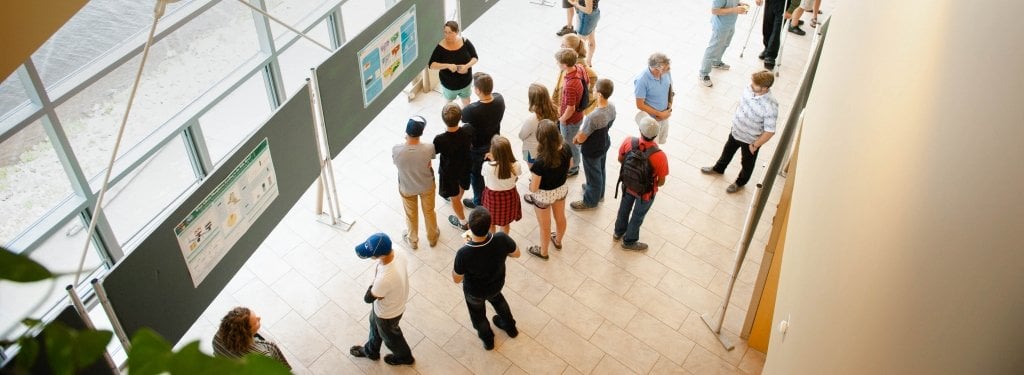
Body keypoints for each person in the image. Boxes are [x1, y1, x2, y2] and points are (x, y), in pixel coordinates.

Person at [452, 207, 521, 350]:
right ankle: (511, 328)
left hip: (475, 292)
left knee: (478, 316)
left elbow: (457, 279)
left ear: (470, 227)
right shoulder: (501, 238)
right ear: (490, 224)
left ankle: (488, 341)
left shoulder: (463, 253)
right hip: (497, 284)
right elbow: (517, 254)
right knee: (499, 301)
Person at [701, 70, 778, 193]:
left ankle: (740, 182)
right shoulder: (750, 88)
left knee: (747, 164)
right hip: (736, 131)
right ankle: (719, 168)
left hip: (750, 141)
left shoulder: (770, 106)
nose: (751, 85)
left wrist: (755, 145)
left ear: (764, 88)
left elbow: (770, 131)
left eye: (755, 84)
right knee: (727, 152)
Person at [349, 233, 415, 366]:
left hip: (388, 313)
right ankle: (371, 351)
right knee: (374, 326)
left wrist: (373, 285)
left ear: (379, 256)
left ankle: (405, 357)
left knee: (391, 338)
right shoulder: (397, 250)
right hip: (394, 301)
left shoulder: (385, 278)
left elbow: (369, 298)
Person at [613, 116, 669, 251]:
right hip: (645, 193)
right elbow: (661, 182)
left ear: (640, 130)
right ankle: (629, 241)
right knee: (637, 216)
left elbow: (621, 159)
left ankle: (618, 232)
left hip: (627, 185)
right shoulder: (659, 156)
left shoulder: (628, 142)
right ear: (656, 135)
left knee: (624, 209)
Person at [524, 120, 572, 260]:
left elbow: (534, 188)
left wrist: (530, 185)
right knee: (560, 217)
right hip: (561, 190)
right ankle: (557, 241)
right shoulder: (566, 148)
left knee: (545, 226)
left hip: (543, 197)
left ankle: (543, 252)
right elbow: (570, 165)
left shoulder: (540, 162)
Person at [393, 116, 439, 249]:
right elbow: (429, 163)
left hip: (407, 187)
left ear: (406, 132)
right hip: (427, 186)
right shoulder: (429, 148)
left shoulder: (396, 150)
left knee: (411, 215)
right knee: (429, 212)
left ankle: (413, 240)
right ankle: (432, 238)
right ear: (421, 132)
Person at [461, 72, 506, 209]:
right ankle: (492, 194)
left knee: (476, 175)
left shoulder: (471, 110)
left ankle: (479, 201)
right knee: (492, 168)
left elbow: (463, 119)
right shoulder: (499, 99)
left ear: (478, 90)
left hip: (477, 147)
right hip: (494, 143)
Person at [571, 78, 615, 210]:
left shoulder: (593, 117)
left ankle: (590, 200)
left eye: (595, 89)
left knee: (593, 175)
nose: (593, 90)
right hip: (604, 144)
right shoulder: (612, 107)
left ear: (600, 94)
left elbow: (582, 138)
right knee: (600, 170)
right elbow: (610, 124)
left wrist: (576, 139)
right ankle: (599, 193)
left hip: (592, 150)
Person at [434, 103, 473, 230]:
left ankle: (462, 222)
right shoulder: (468, 131)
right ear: (460, 117)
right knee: (461, 187)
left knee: (454, 197)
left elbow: (434, 153)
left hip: (449, 172)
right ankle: (458, 198)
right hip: (465, 167)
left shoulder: (440, 139)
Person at [213, 307, 292, 369]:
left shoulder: (216, 338)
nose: (259, 318)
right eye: (256, 322)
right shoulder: (263, 354)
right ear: (247, 333)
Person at [699, 0, 750, 88]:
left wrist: (740, 5)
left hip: (730, 24)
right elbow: (715, 11)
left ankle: (716, 61)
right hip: (721, 26)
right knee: (713, 48)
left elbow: (731, 4)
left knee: (725, 44)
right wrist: (734, 10)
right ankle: (703, 73)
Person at [429, 20, 479, 106]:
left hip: (466, 82)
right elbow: (431, 65)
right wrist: (447, 65)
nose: (447, 35)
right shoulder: (440, 47)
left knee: (467, 102)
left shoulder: (465, 41)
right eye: (445, 32)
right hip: (449, 85)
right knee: (448, 104)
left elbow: (475, 57)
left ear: (456, 32)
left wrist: (466, 66)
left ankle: (466, 117)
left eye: (450, 32)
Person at [555, 48, 586, 176]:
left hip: (570, 121)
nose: (557, 64)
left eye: (558, 62)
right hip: (578, 116)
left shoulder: (570, 85)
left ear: (565, 65)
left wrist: (562, 119)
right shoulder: (579, 68)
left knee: (570, 144)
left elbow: (571, 108)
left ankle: (574, 168)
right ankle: (574, 159)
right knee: (573, 140)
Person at [481, 136, 523, 234]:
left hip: (492, 198)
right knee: (505, 223)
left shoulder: (487, 166)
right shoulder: (516, 165)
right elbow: (517, 176)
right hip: (509, 197)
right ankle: (503, 242)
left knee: (490, 222)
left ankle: (492, 242)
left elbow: (483, 174)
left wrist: (492, 161)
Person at [551, 34, 598, 116]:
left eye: (563, 45)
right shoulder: (569, 64)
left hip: (567, 112)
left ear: (572, 51)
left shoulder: (571, 69)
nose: (560, 46)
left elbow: (562, 94)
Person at [634, 53, 673, 144]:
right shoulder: (641, 80)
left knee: (660, 142)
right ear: (656, 70)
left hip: (665, 115)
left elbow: (670, 89)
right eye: (665, 69)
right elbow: (639, 105)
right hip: (651, 121)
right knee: (650, 146)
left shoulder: (666, 71)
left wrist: (669, 108)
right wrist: (659, 114)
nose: (668, 70)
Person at [519, 83, 559, 167]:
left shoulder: (531, 120)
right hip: (547, 147)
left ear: (532, 100)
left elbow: (522, 135)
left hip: (531, 150)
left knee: (532, 168)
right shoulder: (554, 109)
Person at [567, 0, 600, 66]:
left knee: (578, 45)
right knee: (591, 40)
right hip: (595, 14)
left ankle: (577, 65)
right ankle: (588, 62)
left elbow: (588, 10)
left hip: (586, 17)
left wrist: (576, 4)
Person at [755, 0, 786, 70]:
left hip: (783, 3)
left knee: (777, 29)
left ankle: (771, 56)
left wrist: (791, 9)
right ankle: (767, 47)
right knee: (767, 26)